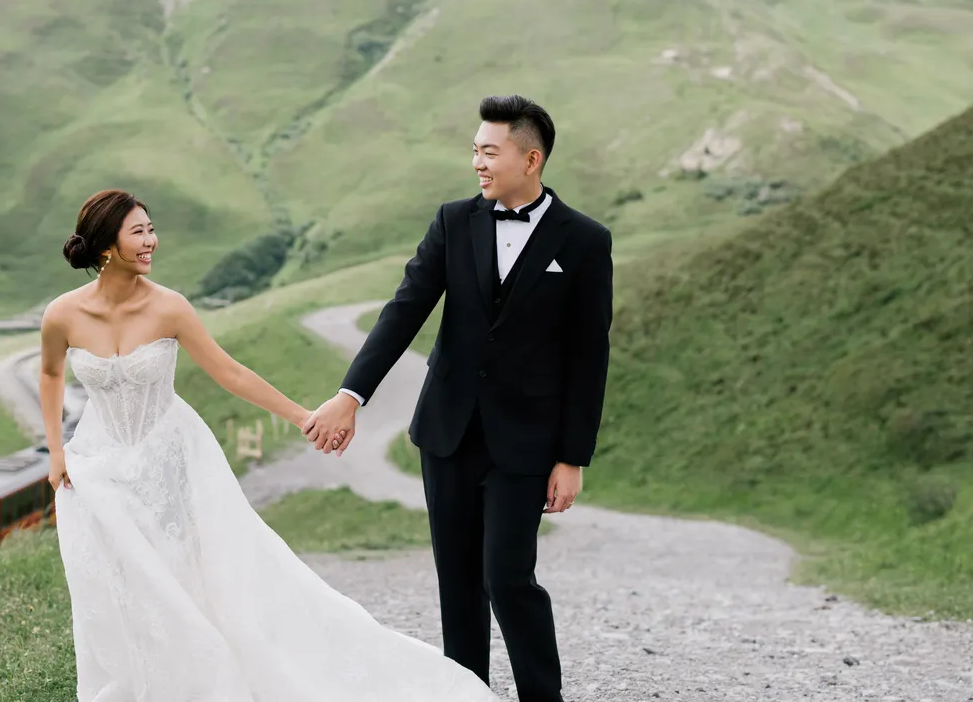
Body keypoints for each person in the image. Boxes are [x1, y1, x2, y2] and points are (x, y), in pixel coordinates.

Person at [39, 189, 498, 701]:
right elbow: (51, 374)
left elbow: (230, 372)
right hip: (98, 465)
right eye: (139, 232)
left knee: (189, 578)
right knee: (117, 586)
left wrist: (303, 416)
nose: (152, 240)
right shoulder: (62, 314)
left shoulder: (169, 307)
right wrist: (57, 453)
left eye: (150, 229)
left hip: (170, 458)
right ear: (105, 246)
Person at [302, 95, 613, 702]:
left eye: (489, 151)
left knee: (506, 578)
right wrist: (352, 394)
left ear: (532, 157)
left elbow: (588, 357)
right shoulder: (453, 221)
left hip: (527, 443)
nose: (477, 161)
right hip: (447, 433)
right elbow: (404, 309)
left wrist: (573, 457)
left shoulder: (584, 241)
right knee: (459, 584)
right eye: (474, 149)